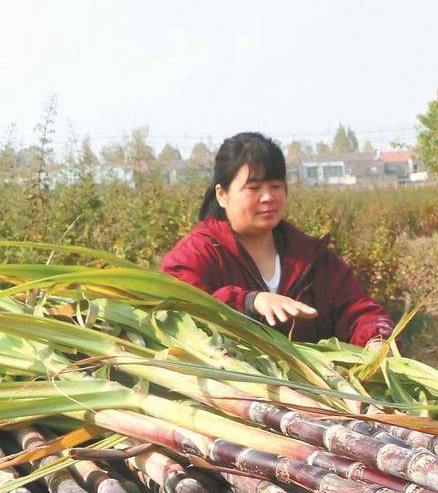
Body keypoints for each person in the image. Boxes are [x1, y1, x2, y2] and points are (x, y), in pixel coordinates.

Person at [161, 132, 394, 346]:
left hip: (313, 379)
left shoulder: (312, 258)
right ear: (222, 195)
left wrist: (377, 341)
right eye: (253, 188)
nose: (268, 197)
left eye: (275, 186)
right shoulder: (196, 254)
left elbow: (359, 311)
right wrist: (248, 302)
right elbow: (178, 310)